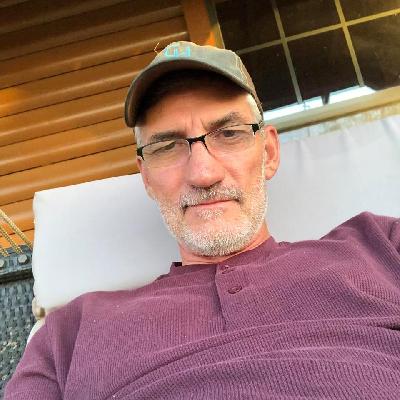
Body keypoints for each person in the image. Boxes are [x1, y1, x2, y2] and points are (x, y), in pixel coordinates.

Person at [4, 41, 400, 400]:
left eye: (229, 134)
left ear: (269, 153)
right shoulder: (70, 333)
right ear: (146, 178)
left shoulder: (379, 245)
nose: (204, 174)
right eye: (167, 146)